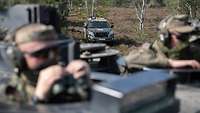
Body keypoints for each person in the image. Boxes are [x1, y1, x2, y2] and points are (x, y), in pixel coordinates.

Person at [3, 24, 91, 104]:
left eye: (55, 50)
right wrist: (39, 98)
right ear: (18, 57)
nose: (52, 57)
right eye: (42, 53)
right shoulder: (8, 92)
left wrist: (86, 87)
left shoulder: (65, 81)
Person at [124, 14, 200, 71]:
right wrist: (170, 63)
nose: (186, 39)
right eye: (182, 36)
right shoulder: (152, 51)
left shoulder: (191, 51)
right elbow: (129, 60)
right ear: (165, 36)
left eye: (188, 35)